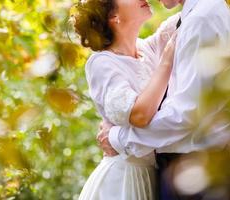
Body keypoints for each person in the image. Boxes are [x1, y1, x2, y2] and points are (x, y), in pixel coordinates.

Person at [96, 0, 230, 199]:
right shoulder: (196, 15)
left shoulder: (199, 19)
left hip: (197, 172)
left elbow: (185, 115)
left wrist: (117, 138)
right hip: (175, 171)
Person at [72, 0, 180, 199]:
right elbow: (138, 115)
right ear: (114, 17)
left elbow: (191, 15)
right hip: (123, 180)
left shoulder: (147, 49)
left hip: (153, 174)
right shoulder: (102, 62)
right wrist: (166, 61)